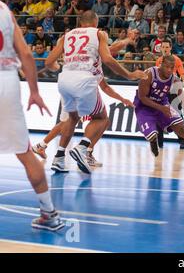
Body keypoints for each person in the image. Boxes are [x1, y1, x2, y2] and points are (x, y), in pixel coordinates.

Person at [44, 11, 147, 174]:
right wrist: (129, 75)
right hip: (84, 78)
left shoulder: (67, 35)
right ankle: (83, 147)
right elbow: (107, 58)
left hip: (64, 79)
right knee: (102, 118)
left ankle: (58, 158)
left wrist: (61, 68)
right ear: (95, 22)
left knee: (72, 117)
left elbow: (49, 62)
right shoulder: (99, 33)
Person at [0, 0, 64, 231]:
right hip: (7, 80)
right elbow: (26, 55)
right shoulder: (5, 10)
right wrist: (34, 91)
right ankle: (49, 213)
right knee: (26, 153)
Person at [32, 33, 138, 166]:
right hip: (81, 84)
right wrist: (128, 40)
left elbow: (105, 86)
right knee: (101, 120)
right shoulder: (96, 47)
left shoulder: (80, 47)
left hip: (66, 82)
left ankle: (51, 150)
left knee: (69, 121)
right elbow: (112, 52)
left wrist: (122, 99)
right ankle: (84, 150)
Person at [154, 40, 184, 150]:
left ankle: (183, 141)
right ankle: (159, 143)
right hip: (161, 92)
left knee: (177, 115)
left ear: (170, 48)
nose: (165, 49)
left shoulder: (176, 60)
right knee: (159, 115)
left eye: (167, 47)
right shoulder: (158, 61)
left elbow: (183, 75)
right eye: (163, 47)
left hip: (174, 92)